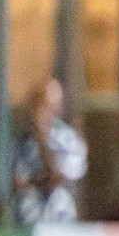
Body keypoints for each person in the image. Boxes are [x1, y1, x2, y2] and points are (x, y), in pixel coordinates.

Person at [13, 78, 88, 224]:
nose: (42, 111)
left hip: (60, 221)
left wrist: (43, 138)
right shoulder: (21, 140)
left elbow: (58, 176)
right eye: (38, 104)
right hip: (26, 224)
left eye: (48, 105)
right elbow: (15, 183)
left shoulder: (68, 139)